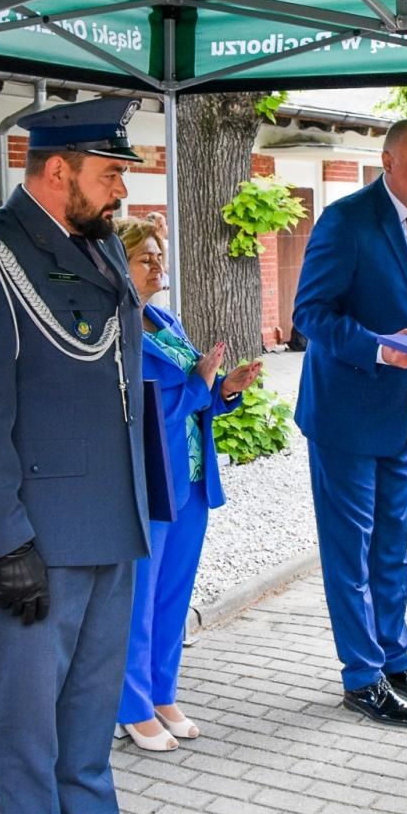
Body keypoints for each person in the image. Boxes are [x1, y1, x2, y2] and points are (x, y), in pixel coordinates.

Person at [0, 96, 149, 814]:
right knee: (28, 734)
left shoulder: (100, 245)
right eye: (110, 172)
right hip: (39, 542)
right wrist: (1, 541)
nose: (122, 188)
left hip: (111, 526)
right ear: (58, 170)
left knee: (89, 728)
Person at [292, 117, 407, 728]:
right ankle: (362, 677)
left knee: (391, 546)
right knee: (351, 551)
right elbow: (310, 314)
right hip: (346, 413)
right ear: (388, 161)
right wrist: (377, 346)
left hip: (404, 413)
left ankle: (396, 658)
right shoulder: (345, 220)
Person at [114, 218, 263, 751]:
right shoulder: (117, 328)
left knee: (173, 597)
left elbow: (193, 392)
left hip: (192, 481)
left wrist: (224, 388)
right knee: (139, 598)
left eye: (160, 256)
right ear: (118, 263)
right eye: (146, 258)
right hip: (150, 482)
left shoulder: (164, 319)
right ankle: (130, 705)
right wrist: (202, 387)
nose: (159, 266)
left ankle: (162, 691)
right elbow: (142, 414)